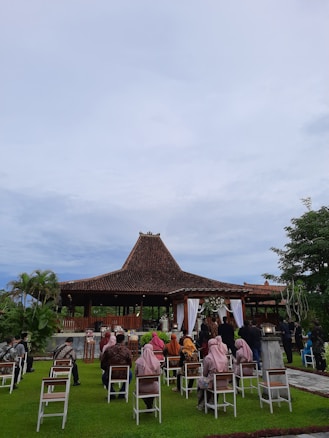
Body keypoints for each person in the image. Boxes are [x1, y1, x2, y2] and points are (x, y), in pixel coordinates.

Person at [197, 338, 229, 410]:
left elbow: (205, 373)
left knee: (201, 382)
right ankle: (213, 402)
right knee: (211, 381)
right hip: (224, 383)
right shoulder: (224, 358)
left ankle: (201, 404)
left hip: (212, 383)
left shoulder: (208, 358)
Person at [101, 333, 132, 398]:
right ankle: (122, 392)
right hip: (124, 374)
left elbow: (103, 363)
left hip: (111, 373)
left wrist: (107, 369)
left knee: (104, 377)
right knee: (130, 374)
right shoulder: (126, 350)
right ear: (123, 341)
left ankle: (111, 392)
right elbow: (130, 364)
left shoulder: (109, 350)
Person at [135, 343, 161, 409]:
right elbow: (159, 374)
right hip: (154, 388)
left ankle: (148, 403)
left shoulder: (139, 362)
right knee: (153, 386)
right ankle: (149, 403)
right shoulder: (156, 362)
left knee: (141, 387)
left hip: (141, 388)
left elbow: (136, 373)